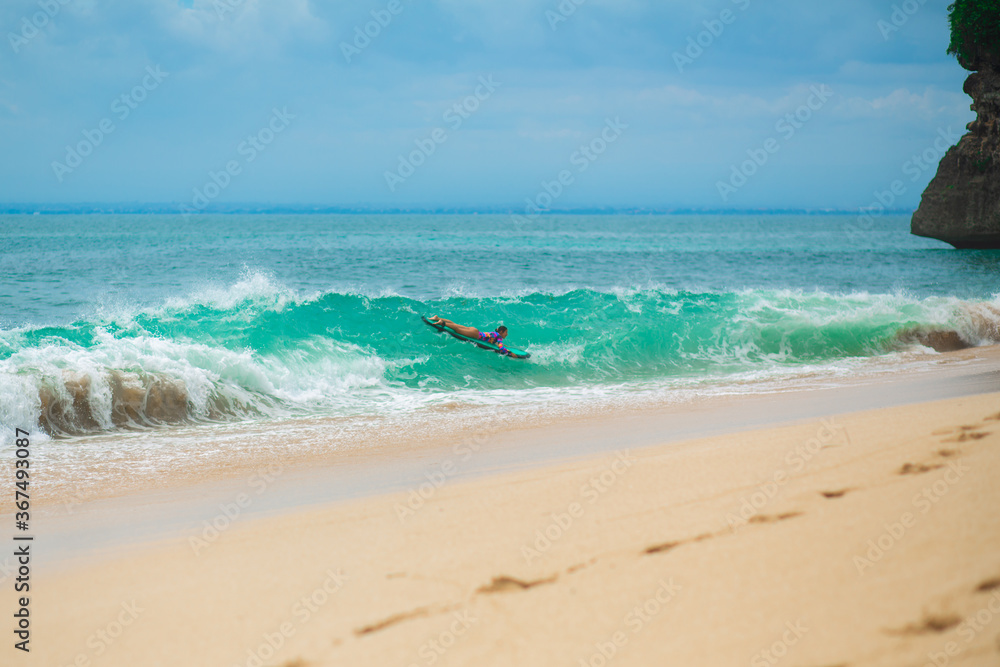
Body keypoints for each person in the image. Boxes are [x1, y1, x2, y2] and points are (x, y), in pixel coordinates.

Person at [428, 315, 513, 356]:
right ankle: (442, 323)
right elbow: (501, 348)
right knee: (457, 330)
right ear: (501, 332)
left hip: (475, 330)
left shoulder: (495, 333)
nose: (507, 334)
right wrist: (510, 353)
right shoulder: (499, 337)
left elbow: (494, 341)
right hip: (475, 334)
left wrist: (502, 345)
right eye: (506, 332)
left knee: (456, 325)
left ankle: (438, 318)